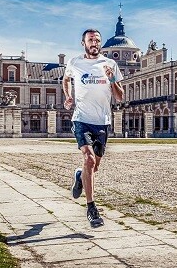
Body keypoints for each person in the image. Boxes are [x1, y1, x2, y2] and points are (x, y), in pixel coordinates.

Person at [62, 28, 124, 228]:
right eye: (91, 40)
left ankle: (80, 175)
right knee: (88, 159)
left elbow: (120, 96)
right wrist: (68, 96)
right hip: (81, 119)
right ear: (84, 43)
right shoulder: (74, 62)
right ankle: (91, 208)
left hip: (103, 121)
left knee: (94, 167)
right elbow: (65, 80)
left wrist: (112, 79)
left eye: (97, 40)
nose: (94, 43)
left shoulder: (110, 64)